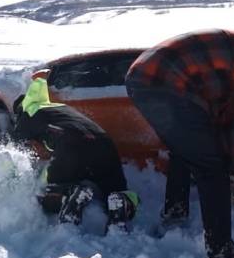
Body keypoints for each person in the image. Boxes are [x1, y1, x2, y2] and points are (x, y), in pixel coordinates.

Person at [125, 29, 234, 258]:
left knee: (185, 150)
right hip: (164, 83)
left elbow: (221, 118)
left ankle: (175, 216)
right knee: (212, 170)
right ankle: (222, 256)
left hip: (143, 79)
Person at [12, 76, 139, 230]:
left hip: (71, 144)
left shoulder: (27, 114)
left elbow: (12, 152)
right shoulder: (59, 108)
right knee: (115, 189)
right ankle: (120, 203)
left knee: (46, 193)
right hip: (105, 145)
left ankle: (70, 192)